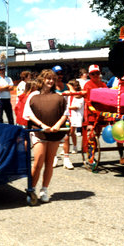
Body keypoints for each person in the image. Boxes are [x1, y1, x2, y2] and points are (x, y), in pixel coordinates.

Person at [23, 69, 68, 202]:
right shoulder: (33, 96)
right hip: (39, 133)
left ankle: (44, 189)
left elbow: (65, 113)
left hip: (55, 133)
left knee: (49, 162)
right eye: (48, 78)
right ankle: (31, 189)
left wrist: (58, 125)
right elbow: (28, 114)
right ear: (42, 79)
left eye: (53, 79)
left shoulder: (59, 96)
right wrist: (42, 125)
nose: (50, 81)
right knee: (38, 162)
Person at [52, 65, 73, 169]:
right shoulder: (50, 87)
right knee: (53, 137)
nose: (60, 76)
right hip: (53, 114)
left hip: (64, 114)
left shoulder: (67, 85)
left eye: (61, 73)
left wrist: (71, 92)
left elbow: (76, 93)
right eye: (57, 74)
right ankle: (54, 157)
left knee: (66, 137)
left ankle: (66, 158)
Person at [65, 79, 84, 157]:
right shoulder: (70, 95)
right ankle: (66, 149)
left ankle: (75, 147)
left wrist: (66, 108)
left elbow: (76, 106)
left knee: (72, 132)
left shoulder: (80, 95)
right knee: (67, 133)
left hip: (75, 116)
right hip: (69, 115)